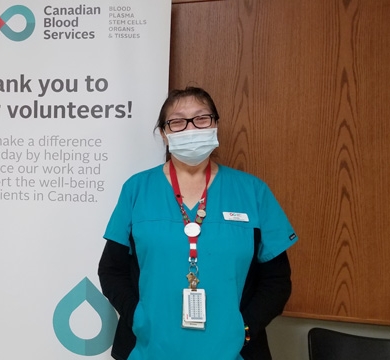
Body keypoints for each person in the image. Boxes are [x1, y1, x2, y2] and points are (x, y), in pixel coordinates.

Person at [98, 86, 297, 360]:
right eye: (178, 121)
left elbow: (276, 281)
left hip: (231, 350)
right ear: (165, 134)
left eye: (202, 118)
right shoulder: (136, 190)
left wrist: (245, 329)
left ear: (215, 125)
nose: (191, 129)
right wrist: (138, 318)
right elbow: (111, 271)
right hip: (149, 348)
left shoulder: (252, 192)